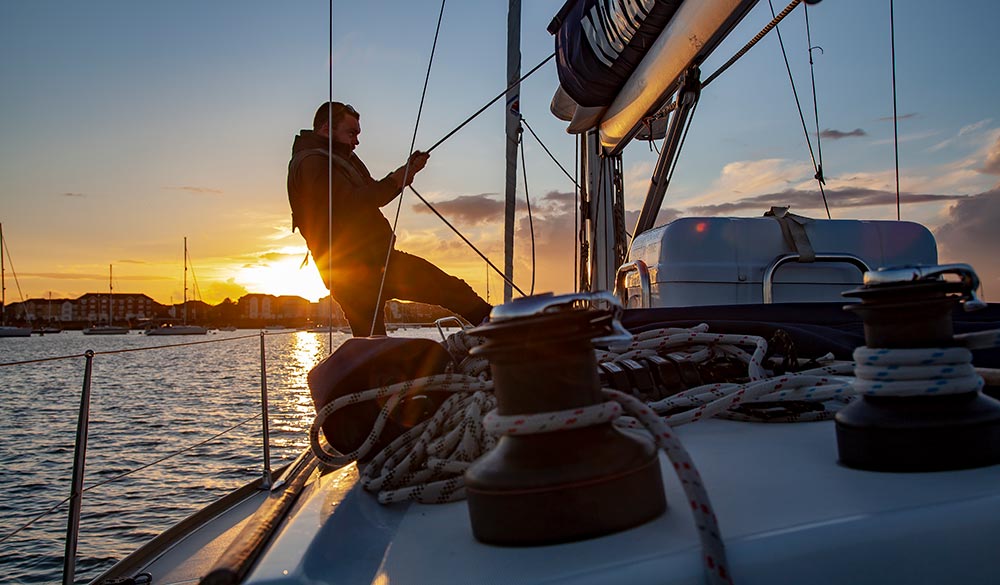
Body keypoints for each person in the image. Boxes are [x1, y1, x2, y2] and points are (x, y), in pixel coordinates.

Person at [287, 101, 492, 336]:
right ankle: (500, 329)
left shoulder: (343, 158)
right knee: (451, 289)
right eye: (351, 133)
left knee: (373, 343)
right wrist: (398, 178)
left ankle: (497, 329)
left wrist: (407, 171)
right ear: (326, 130)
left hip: (370, 263)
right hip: (358, 269)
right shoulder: (311, 163)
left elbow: (372, 191)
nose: (356, 141)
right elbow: (353, 203)